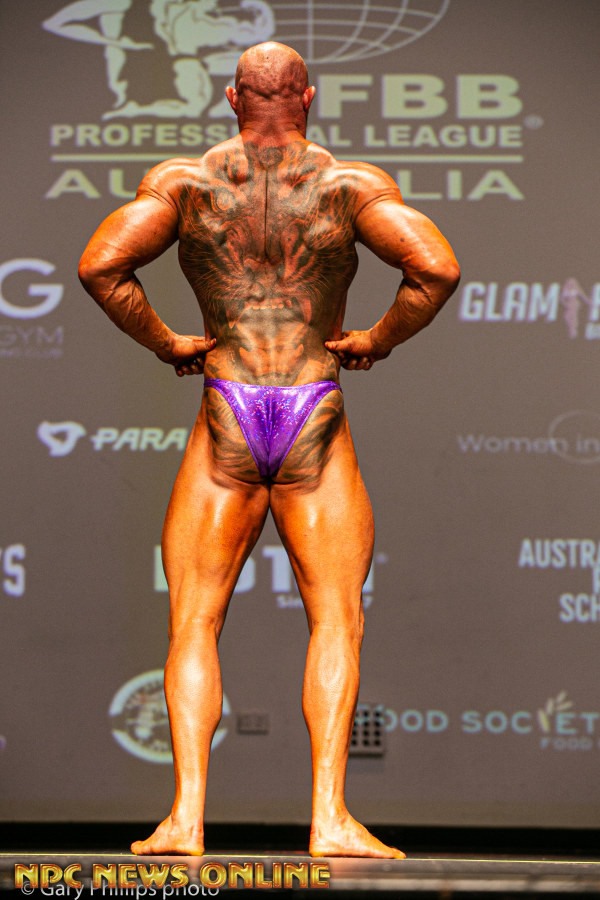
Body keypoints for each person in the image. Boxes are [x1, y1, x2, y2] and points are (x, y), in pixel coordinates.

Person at [78, 41, 460, 858]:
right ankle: (329, 819)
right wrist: (377, 339)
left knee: (194, 620)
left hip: (228, 405)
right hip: (311, 405)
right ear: (309, 97)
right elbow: (436, 269)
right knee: (336, 619)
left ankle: (185, 819)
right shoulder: (348, 186)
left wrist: (168, 344)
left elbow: (101, 266)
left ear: (231, 97)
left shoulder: (186, 183)